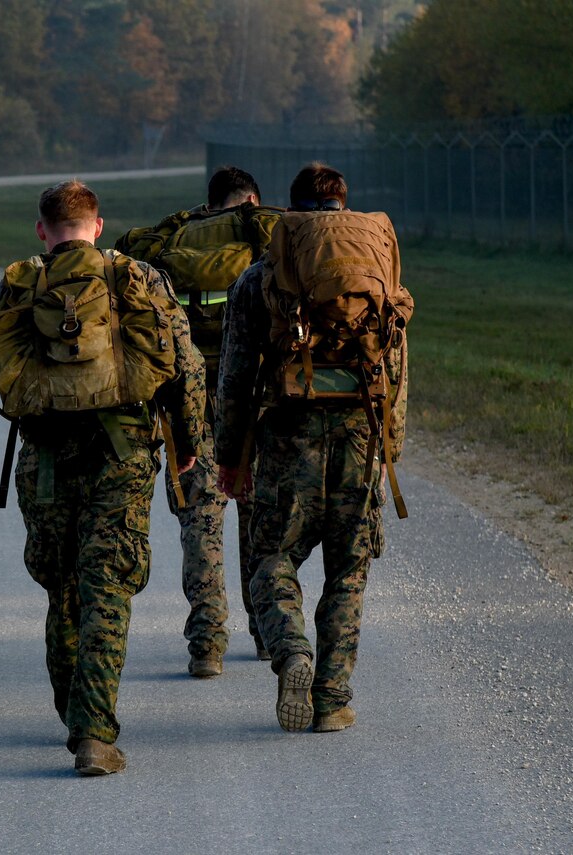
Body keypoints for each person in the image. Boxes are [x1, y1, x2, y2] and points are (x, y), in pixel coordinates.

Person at [0, 181, 209, 775]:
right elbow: (185, 365)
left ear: (43, 230)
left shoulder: (20, 283)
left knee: (63, 585)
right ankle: (95, 730)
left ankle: (75, 711)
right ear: (97, 226)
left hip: (43, 459)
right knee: (108, 587)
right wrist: (188, 443)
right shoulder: (139, 279)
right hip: (121, 454)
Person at [214, 163, 413, 733]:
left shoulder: (258, 279)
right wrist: (388, 449)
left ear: (293, 212)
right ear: (345, 208)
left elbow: (233, 376)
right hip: (360, 434)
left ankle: (291, 650)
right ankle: (331, 698)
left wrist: (230, 457)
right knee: (348, 569)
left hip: (287, 436)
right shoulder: (378, 276)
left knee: (273, 557)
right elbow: (396, 367)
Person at [117, 166, 283, 676]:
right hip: (254, 397)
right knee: (260, 517)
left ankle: (207, 643)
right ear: (252, 199)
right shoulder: (270, 235)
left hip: (183, 401)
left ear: (209, 203)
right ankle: (265, 631)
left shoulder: (172, 236)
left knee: (201, 521)